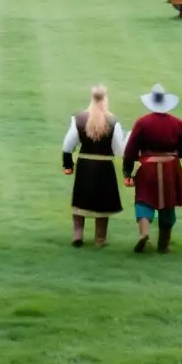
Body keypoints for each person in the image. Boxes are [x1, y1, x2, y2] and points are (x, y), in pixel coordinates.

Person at [123, 85, 182, 254]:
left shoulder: (142, 122)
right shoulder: (177, 123)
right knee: (168, 204)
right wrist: (175, 156)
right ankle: (163, 245)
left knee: (143, 200)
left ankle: (144, 233)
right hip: (170, 167)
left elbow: (131, 149)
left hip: (147, 167)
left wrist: (128, 171)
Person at [62, 85, 127, 248]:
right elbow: (119, 149)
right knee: (103, 201)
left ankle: (78, 233)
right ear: (106, 99)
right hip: (104, 165)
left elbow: (67, 146)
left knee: (80, 198)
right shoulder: (113, 121)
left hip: (85, 164)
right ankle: (100, 238)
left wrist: (68, 165)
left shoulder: (78, 118)